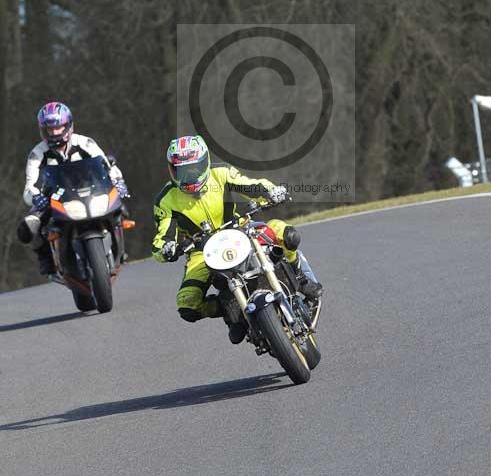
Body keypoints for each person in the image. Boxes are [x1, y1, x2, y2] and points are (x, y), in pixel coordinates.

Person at [152, 134, 322, 343]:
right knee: (188, 305)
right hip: (201, 251)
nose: (189, 175)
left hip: (239, 230)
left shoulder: (221, 173)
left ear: (205, 162)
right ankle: (230, 310)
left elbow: (250, 185)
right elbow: (161, 238)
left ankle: (302, 279)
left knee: (286, 234)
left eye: (194, 168)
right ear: (172, 170)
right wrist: (166, 248)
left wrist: (271, 192)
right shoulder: (166, 199)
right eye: (182, 171)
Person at [18, 102, 129, 275]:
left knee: (121, 207)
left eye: (59, 127)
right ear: (43, 130)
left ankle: (119, 244)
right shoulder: (37, 154)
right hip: (55, 197)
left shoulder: (85, 143)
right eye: (50, 129)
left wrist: (118, 181)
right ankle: (45, 257)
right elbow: (29, 187)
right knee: (27, 228)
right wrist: (35, 197)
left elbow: (107, 165)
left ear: (69, 125)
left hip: (91, 191)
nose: (55, 133)